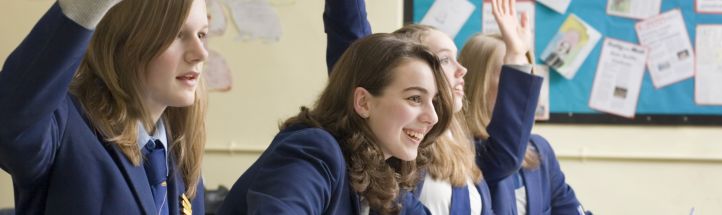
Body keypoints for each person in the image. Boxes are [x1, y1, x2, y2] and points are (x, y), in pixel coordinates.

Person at [324, 0, 542, 214]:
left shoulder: (456, 141)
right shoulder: (394, 139)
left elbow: (503, 158)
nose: (462, 70)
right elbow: (354, 48)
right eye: (445, 59)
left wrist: (515, 55)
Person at [0, 0, 210, 214]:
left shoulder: (181, 151)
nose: (201, 53)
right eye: (177, 34)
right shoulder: (64, 125)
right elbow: (12, 122)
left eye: (202, 35)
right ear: (125, 40)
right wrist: (82, 9)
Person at [216, 33, 454, 215]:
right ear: (363, 102)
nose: (432, 117)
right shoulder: (315, 149)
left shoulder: (382, 173)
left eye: (433, 102)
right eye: (414, 98)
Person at [461, 33, 590, 215]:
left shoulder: (539, 149)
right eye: (512, 73)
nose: (526, 84)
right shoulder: (461, 153)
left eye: (527, 72)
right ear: (479, 81)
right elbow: (504, 156)